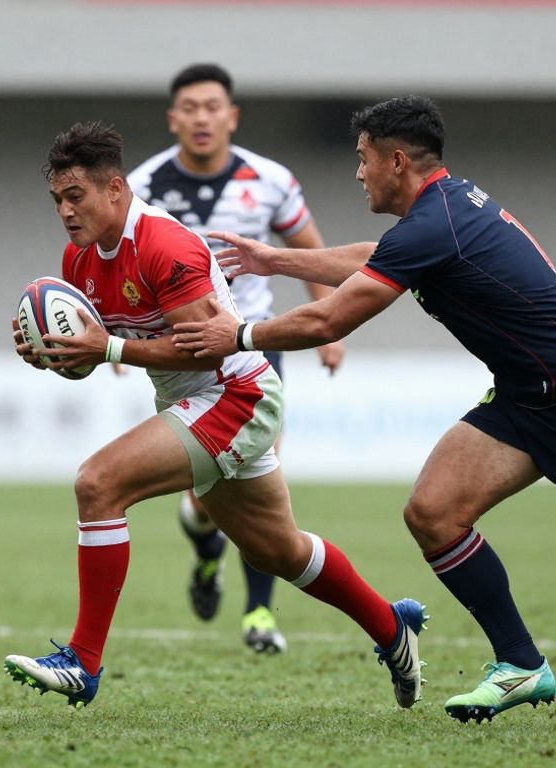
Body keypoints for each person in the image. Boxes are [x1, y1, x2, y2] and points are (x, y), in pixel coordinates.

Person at [172, 96, 556, 722]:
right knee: (433, 513)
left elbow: (331, 318)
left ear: (395, 160)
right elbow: (375, 258)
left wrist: (241, 335)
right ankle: (521, 663)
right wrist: (273, 258)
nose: (358, 173)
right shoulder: (439, 210)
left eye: (363, 160)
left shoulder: (432, 224)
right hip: (526, 398)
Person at [1, 121, 425, 710]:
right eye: (57, 200)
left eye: (76, 196)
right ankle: (390, 627)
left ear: (116, 189)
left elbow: (211, 344)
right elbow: (97, 348)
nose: (66, 211)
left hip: (236, 394)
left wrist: (109, 349)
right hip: (190, 403)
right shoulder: (78, 261)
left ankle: (82, 661)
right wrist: (52, 354)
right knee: (279, 551)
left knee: (97, 484)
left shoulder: (164, 244)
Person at [127, 63, 345, 654]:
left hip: (254, 347)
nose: (202, 117)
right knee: (203, 503)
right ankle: (204, 553)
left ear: (232, 115)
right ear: (174, 118)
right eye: (190, 107)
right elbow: (116, 264)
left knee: (261, 477)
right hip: (180, 354)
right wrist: (115, 335)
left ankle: (258, 613)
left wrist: (329, 327)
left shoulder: (270, 180)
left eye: (212, 106)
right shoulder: (142, 184)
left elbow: (310, 250)